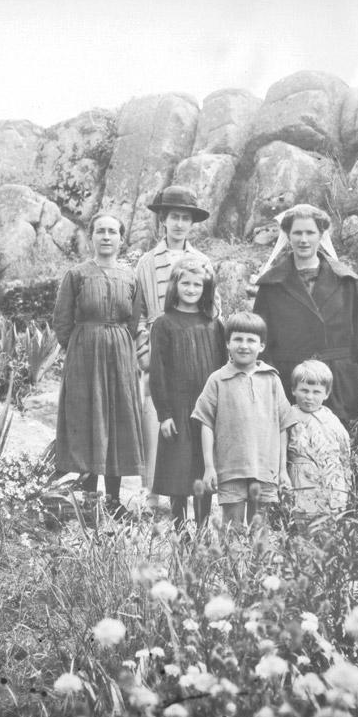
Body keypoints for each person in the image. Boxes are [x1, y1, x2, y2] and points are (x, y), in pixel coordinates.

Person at [252, 203, 358, 424]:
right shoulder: (271, 285)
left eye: (310, 232)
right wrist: (265, 385)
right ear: (288, 236)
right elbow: (261, 341)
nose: (304, 240)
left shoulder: (344, 281)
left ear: (321, 236)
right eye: (297, 233)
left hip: (337, 382)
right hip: (290, 382)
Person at [53, 213, 146, 519]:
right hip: (84, 353)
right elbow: (62, 321)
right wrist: (80, 348)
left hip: (120, 354)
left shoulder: (130, 277)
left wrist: (117, 344)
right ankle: (89, 495)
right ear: (91, 237)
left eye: (112, 232)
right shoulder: (77, 274)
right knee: (88, 414)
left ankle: (114, 499)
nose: (106, 237)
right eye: (100, 231)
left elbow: (133, 321)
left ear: (121, 239)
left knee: (118, 417)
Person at [135, 186, 219, 512]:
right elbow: (139, 312)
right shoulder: (147, 261)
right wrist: (144, 352)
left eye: (185, 219)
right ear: (163, 221)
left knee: (194, 429)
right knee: (159, 419)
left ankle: (194, 493)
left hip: (193, 347)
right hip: (160, 344)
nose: (179, 224)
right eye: (174, 218)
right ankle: (154, 495)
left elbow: (214, 309)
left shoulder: (202, 261)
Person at [192, 312, 296, 531]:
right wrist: (209, 467)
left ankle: (258, 566)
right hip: (231, 468)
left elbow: (283, 426)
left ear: (262, 346)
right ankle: (230, 566)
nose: (244, 345)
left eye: (251, 340)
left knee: (261, 527)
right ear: (228, 343)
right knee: (232, 527)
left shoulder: (272, 379)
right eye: (238, 339)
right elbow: (206, 424)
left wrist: (282, 469)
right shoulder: (217, 380)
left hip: (265, 468)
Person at [148, 255, 227, 533]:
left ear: (206, 289)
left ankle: (203, 528)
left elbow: (223, 367)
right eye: (186, 284)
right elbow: (157, 373)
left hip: (207, 409)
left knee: (203, 467)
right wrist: (164, 413)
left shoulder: (214, 324)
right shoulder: (164, 323)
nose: (192, 290)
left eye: (198, 285)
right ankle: (181, 529)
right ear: (175, 285)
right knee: (178, 469)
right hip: (178, 407)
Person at [285, 360, 352, 521]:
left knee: (332, 523)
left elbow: (344, 450)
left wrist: (347, 479)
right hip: (302, 480)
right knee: (305, 523)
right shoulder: (288, 417)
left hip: (332, 480)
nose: (309, 397)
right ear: (294, 390)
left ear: (326, 394)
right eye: (304, 390)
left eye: (316, 392)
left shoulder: (331, 418)